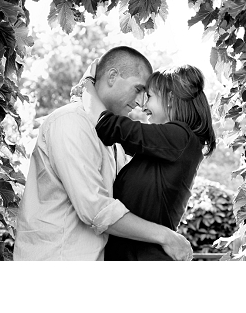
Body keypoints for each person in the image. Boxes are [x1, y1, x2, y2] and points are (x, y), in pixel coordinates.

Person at [13, 46, 193, 261]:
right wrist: (166, 237)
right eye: (138, 89)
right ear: (112, 76)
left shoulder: (113, 140)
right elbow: (95, 208)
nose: (141, 101)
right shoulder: (70, 122)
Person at [81, 64, 216, 260]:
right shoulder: (172, 145)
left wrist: (87, 85)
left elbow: (109, 126)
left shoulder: (180, 137)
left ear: (170, 99)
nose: (143, 106)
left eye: (150, 96)